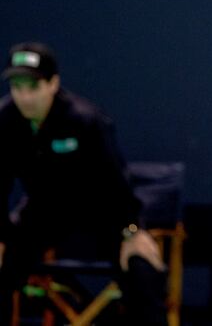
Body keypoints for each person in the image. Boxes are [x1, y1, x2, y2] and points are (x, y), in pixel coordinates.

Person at [0, 42, 168, 325]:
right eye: (17, 87)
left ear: (53, 84)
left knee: (142, 268)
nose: (25, 97)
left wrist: (132, 231)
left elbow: (117, 182)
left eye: (33, 87)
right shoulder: (5, 120)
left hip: (99, 214)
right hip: (43, 213)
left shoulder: (86, 120)